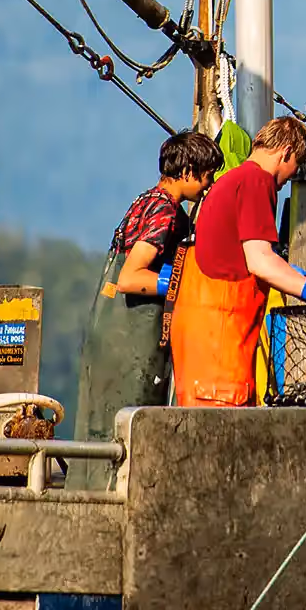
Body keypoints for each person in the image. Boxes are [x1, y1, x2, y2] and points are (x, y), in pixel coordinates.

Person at [171, 114, 306, 408]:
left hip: (203, 347)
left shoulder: (231, 180)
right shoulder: (257, 181)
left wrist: (289, 271)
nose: (290, 177)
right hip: (220, 351)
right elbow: (261, 261)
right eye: (295, 167)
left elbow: (240, 258)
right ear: (286, 153)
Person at [75, 128, 221, 483]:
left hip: (105, 339)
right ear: (186, 172)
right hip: (131, 344)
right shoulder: (166, 212)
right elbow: (129, 277)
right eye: (205, 176)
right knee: (124, 439)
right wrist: (178, 283)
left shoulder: (145, 201)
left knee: (95, 434)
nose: (208, 184)